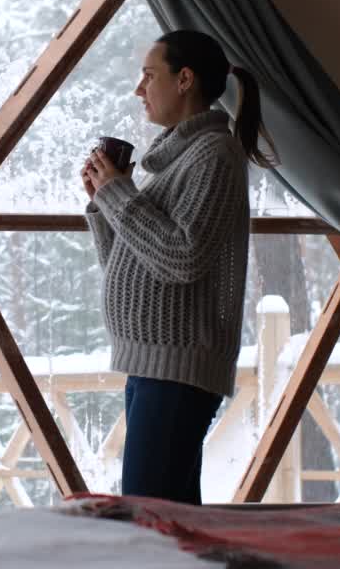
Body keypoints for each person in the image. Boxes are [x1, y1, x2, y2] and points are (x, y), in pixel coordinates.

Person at [81, 29, 276, 504]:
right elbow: (137, 264)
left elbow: (182, 259)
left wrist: (119, 197)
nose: (138, 89)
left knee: (151, 518)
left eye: (149, 76)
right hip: (153, 364)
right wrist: (105, 203)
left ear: (184, 79)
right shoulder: (179, 160)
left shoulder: (214, 155)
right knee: (173, 517)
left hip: (178, 368)